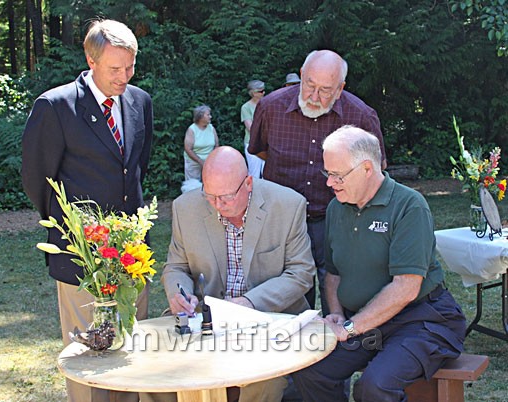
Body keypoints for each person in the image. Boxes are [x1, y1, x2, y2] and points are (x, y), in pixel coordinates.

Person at [22, 19, 152, 402]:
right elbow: (39, 180)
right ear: (90, 60)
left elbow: (135, 167)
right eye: (115, 69)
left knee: (130, 353)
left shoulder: (140, 101)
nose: (124, 77)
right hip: (82, 258)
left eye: (130, 67)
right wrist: (76, 232)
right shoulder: (56, 106)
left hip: (131, 255)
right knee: (87, 357)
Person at [291, 126, 467, 402]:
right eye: (328, 173)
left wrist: (349, 328)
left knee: (375, 387)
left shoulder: (409, 206)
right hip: (366, 322)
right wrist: (337, 314)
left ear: (367, 169)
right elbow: (333, 274)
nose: (329, 182)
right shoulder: (336, 208)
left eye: (338, 175)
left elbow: (406, 288)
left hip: (420, 321)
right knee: (312, 372)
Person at [162, 146, 315, 402]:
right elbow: (176, 267)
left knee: (265, 380)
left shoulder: (287, 205)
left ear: (249, 183)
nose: (217, 205)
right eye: (209, 196)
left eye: (226, 197)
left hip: (268, 321)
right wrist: (180, 293)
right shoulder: (185, 208)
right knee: (158, 377)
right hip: (206, 324)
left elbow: (301, 273)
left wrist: (248, 303)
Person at [248, 49, 387, 316]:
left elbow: (375, 173)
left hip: (340, 219)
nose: (313, 96)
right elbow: (262, 150)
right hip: (282, 221)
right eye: (309, 85)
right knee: (287, 303)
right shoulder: (270, 107)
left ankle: (342, 350)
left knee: (342, 298)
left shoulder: (361, 117)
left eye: (325, 90)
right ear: (301, 75)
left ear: (340, 88)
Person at [183, 104, 219, 186]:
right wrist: (200, 161)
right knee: (192, 187)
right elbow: (188, 149)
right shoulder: (192, 130)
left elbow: (216, 145)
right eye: (208, 115)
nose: (210, 117)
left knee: (211, 185)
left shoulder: (211, 128)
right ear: (200, 117)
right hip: (193, 162)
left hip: (210, 162)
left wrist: (213, 160)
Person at [240, 80, 265, 178]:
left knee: (267, 173)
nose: (264, 93)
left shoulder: (266, 104)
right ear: (254, 93)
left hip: (266, 144)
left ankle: (265, 193)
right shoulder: (245, 107)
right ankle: (252, 193)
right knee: (254, 173)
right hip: (252, 143)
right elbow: (250, 128)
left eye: (264, 90)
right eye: (261, 91)